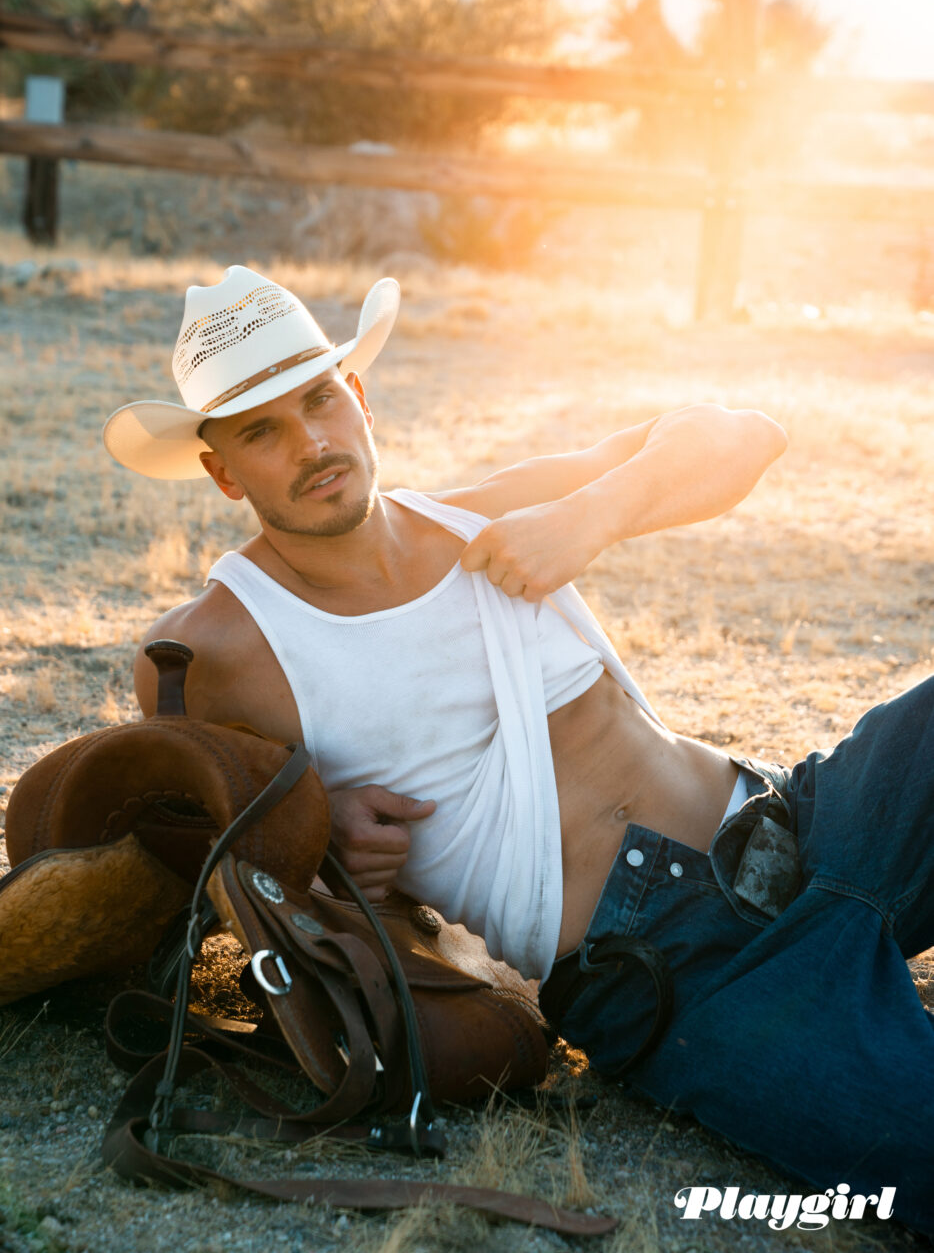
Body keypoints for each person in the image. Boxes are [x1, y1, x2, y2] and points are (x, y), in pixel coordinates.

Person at [104, 265, 934, 1234]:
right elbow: (210, 853)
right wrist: (326, 838)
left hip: (810, 818)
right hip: (678, 970)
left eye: (320, 397)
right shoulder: (214, 648)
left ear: (358, 395)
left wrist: (590, 516)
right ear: (221, 470)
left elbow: (742, 433)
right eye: (262, 428)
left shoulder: (479, 516)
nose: (312, 442)